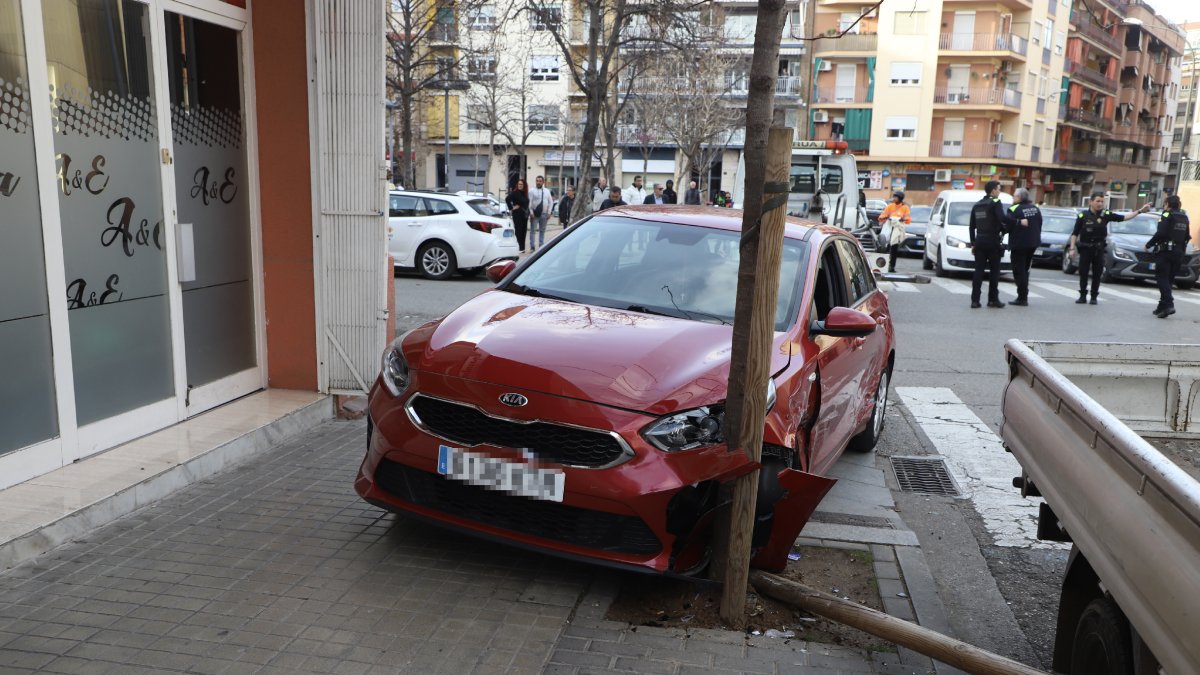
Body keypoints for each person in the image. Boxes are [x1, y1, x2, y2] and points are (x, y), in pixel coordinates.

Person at [1069, 193, 1151, 304]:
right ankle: (1083, 295)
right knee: (1083, 273)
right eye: (1098, 201)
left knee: (1097, 273)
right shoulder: (1083, 216)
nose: (1100, 204)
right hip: (1085, 248)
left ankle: (1094, 296)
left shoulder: (1106, 214)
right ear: (1091, 202)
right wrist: (1072, 248)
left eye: (1102, 201)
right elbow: (1075, 233)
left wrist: (1140, 211)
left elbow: (1124, 217)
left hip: (1099, 249)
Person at [1145, 194, 1191, 318]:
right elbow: (1187, 236)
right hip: (1179, 252)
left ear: (1168, 205)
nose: (1164, 207)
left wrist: (1149, 244)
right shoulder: (1184, 217)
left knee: (1162, 278)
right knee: (1168, 280)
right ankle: (1162, 307)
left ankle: (1169, 303)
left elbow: (1161, 232)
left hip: (1166, 251)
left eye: (1165, 204)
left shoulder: (1166, 215)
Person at [968, 181, 1009, 309]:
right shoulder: (996, 202)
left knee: (978, 271)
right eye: (998, 189)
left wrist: (973, 243)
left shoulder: (977, 205)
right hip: (992, 241)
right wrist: (1014, 223)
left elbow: (971, 226)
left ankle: (975, 300)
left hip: (979, 240)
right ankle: (993, 299)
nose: (999, 191)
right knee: (994, 271)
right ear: (993, 191)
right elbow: (1002, 218)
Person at [1003, 188, 1043, 306]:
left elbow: (1008, 225)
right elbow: (1040, 223)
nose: (1013, 198)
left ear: (1019, 198)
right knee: (1025, 269)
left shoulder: (1014, 208)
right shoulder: (1035, 208)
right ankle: (1023, 294)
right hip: (1033, 243)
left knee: (1018, 270)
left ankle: (1022, 297)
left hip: (1019, 243)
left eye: (1014, 196)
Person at [877, 191, 912, 273]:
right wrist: (885, 217)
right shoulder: (890, 206)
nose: (894, 198)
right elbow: (881, 216)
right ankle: (883, 265)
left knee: (894, 249)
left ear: (900, 198)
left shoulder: (905, 207)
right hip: (889, 228)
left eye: (896, 197)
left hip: (897, 229)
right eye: (894, 197)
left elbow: (908, 219)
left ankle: (892, 267)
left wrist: (902, 219)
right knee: (885, 247)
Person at [528, 175, 554, 251]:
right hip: (534, 214)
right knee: (533, 231)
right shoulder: (531, 190)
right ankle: (532, 247)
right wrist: (531, 212)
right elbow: (529, 202)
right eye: (537, 181)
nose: (538, 182)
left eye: (540, 181)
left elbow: (551, 202)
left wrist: (549, 212)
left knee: (542, 230)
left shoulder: (547, 191)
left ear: (543, 182)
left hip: (544, 214)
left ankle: (541, 246)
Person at [505, 178, 530, 252]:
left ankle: (522, 248)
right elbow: (507, 199)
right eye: (519, 184)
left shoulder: (525, 193)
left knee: (524, 230)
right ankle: (518, 247)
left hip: (524, 215)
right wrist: (512, 208)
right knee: (518, 230)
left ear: (524, 185)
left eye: (521, 184)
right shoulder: (515, 193)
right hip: (517, 214)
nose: (520, 185)